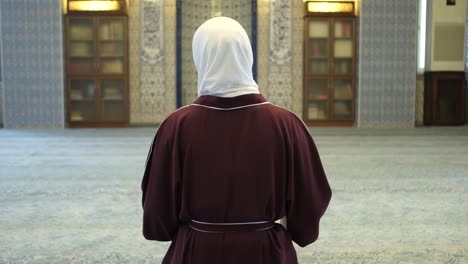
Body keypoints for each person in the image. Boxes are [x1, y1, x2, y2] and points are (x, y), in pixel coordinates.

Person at [141, 16, 332, 264]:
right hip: (266, 252)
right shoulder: (286, 124)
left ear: (200, 58)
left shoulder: (177, 126)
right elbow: (310, 198)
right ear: (246, 55)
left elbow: (158, 207)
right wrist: (296, 227)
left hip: (196, 251)